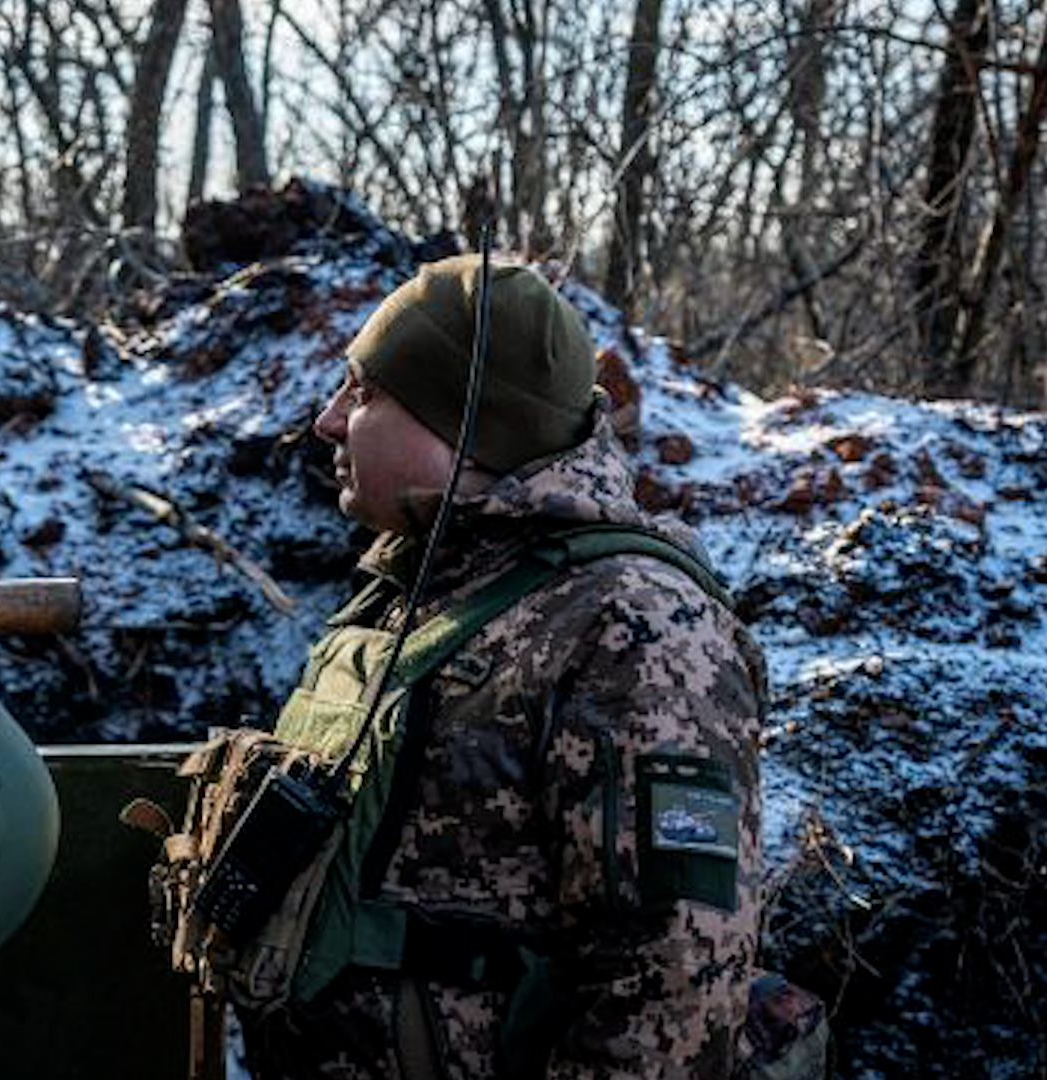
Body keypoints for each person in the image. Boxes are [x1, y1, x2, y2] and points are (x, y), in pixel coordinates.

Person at [239, 255, 767, 1079]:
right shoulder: (420, 587)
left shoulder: (635, 626)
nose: (329, 421)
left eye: (365, 391)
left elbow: (673, 988)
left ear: (465, 425)